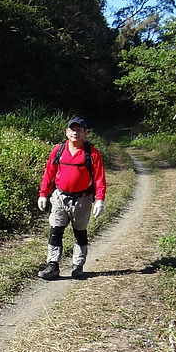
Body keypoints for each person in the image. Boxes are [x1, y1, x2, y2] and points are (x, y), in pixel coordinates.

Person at [36, 116, 106, 280]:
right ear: (67, 132)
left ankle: (78, 265)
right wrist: (43, 194)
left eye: (79, 130)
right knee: (56, 230)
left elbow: (99, 178)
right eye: (72, 130)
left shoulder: (92, 153)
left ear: (85, 133)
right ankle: (52, 265)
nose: (75, 133)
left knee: (79, 232)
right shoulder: (58, 150)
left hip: (82, 199)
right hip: (59, 196)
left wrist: (100, 200)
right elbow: (49, 174)